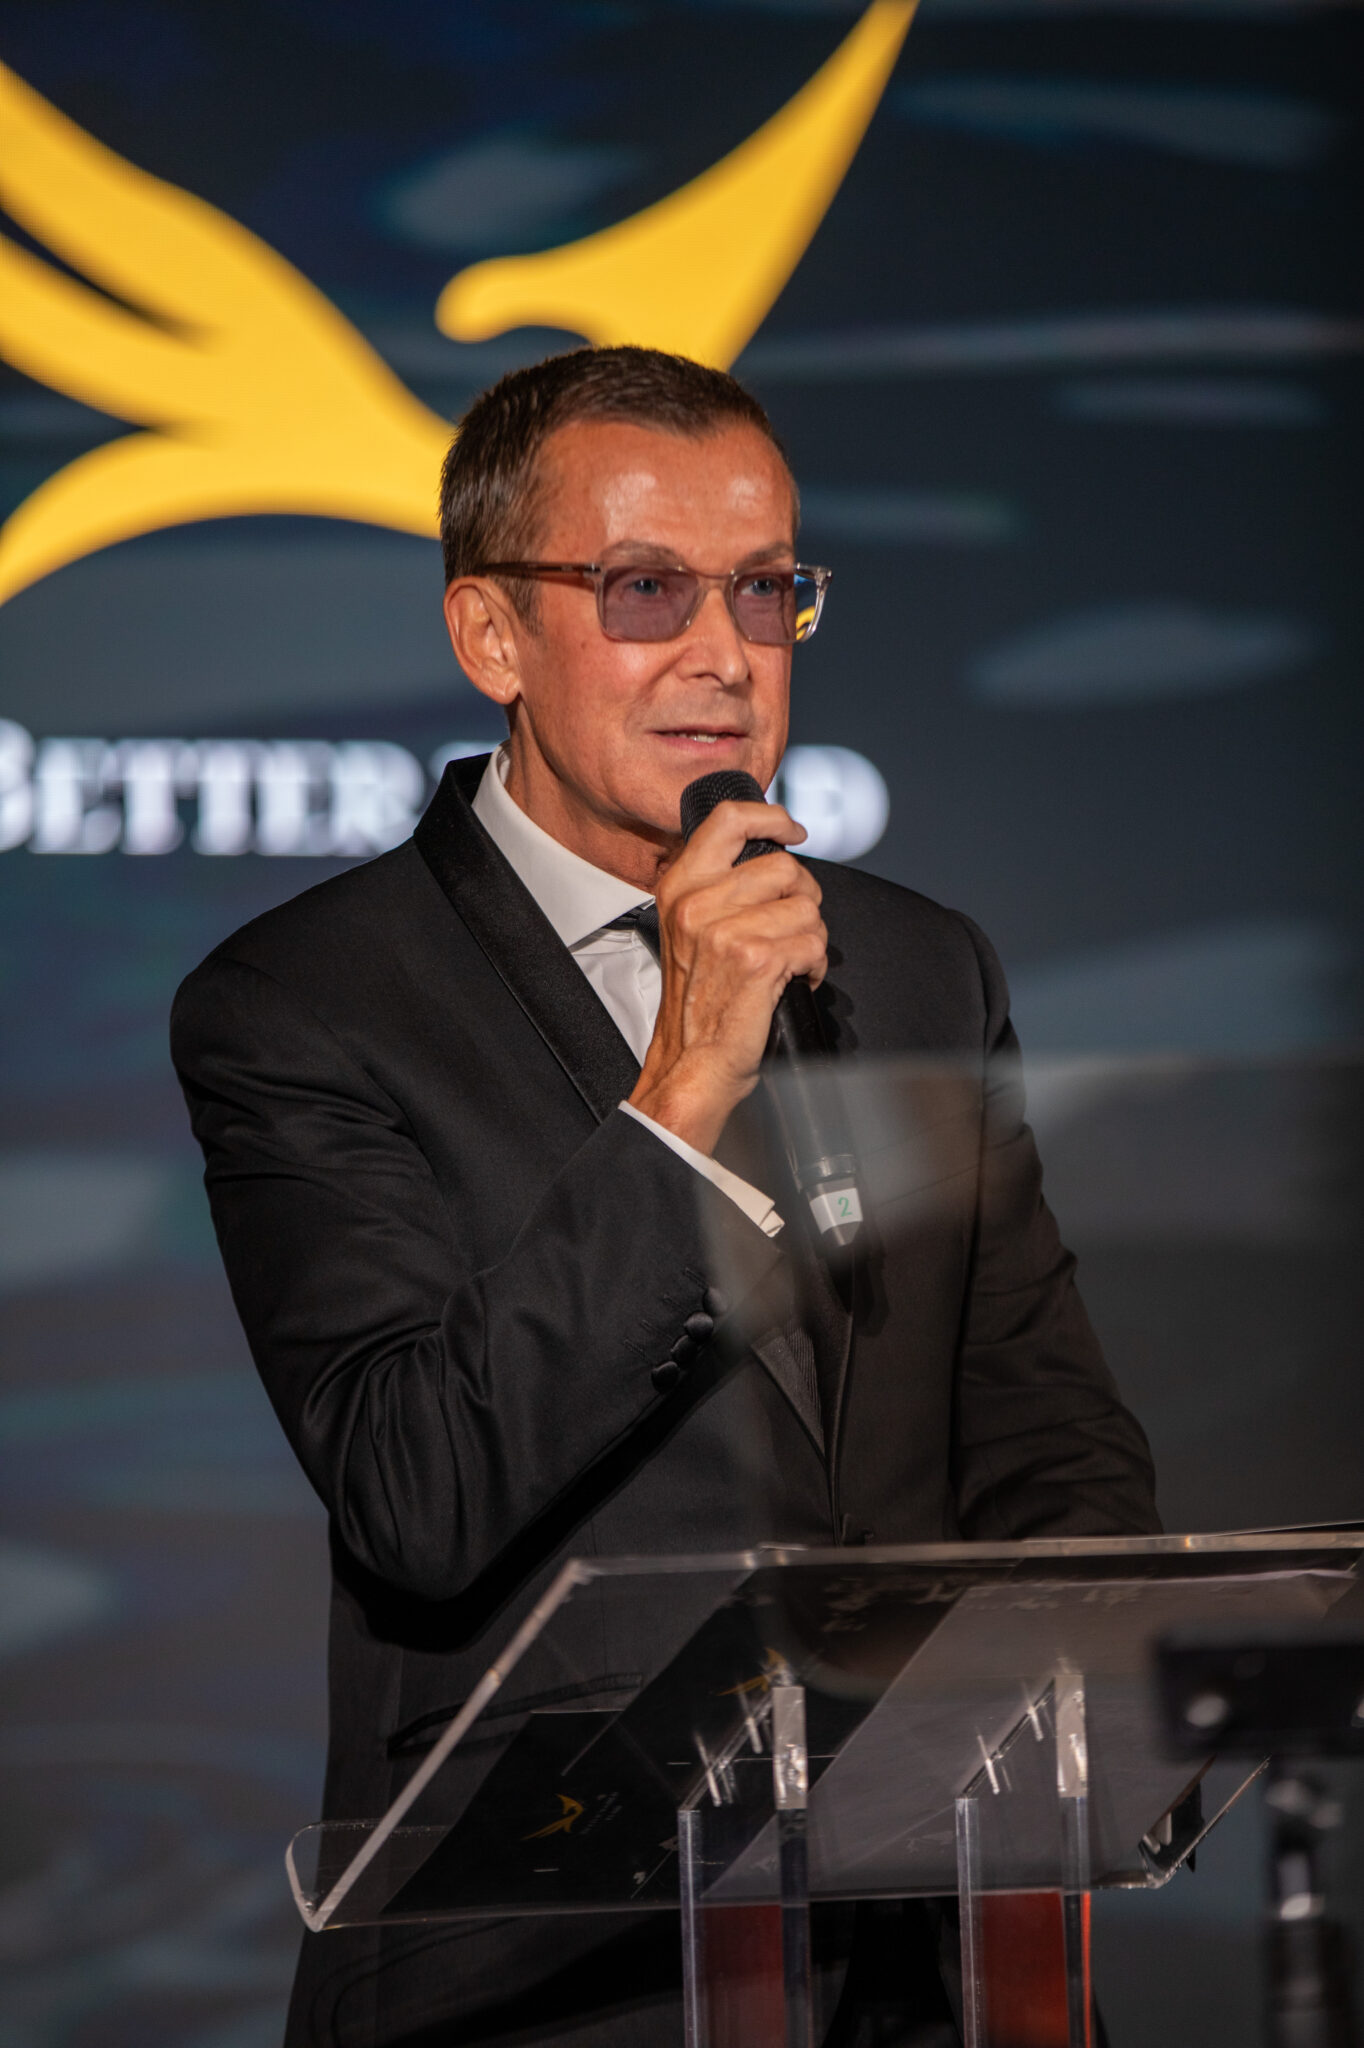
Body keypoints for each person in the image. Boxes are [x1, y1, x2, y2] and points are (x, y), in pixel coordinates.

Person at [171, 345, 1158, 2047]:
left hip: (912, 1969)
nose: (723, 652)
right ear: (491, 636)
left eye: (764, 588)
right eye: (644, 589)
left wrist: (1074, 1701)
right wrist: (683, 1079)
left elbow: (1041, 1439)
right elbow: (417, 1487)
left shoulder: (916, 965)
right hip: (540, 1972)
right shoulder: (306, 1001)